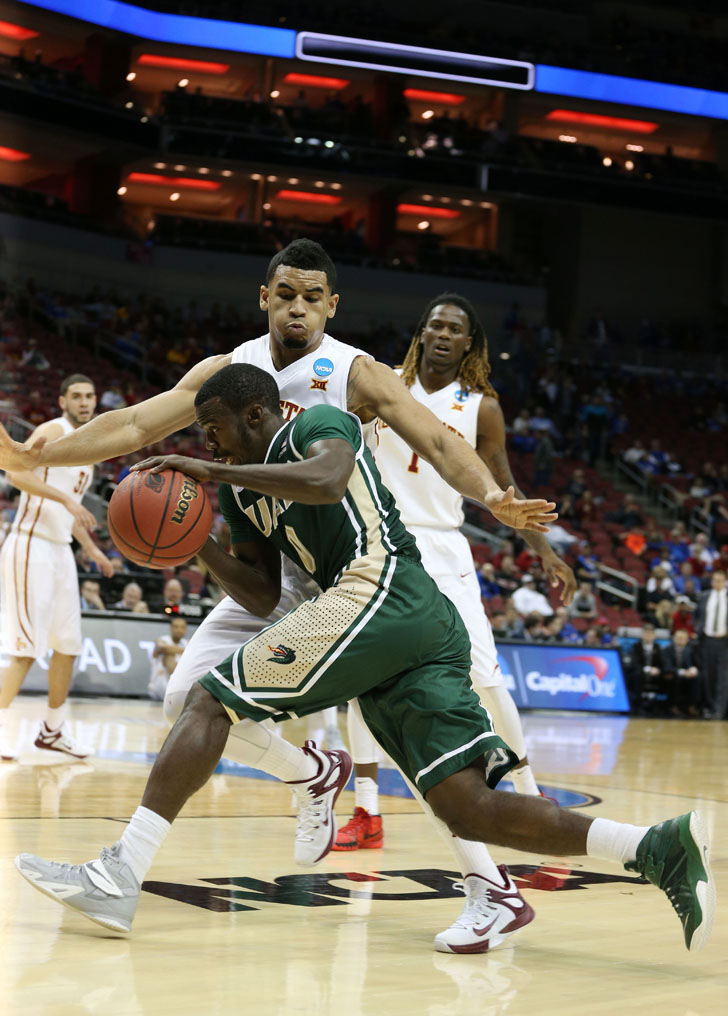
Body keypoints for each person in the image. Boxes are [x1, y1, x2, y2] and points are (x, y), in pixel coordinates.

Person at [14, 365, 715, 954]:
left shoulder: (319, 424)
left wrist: (205, 466)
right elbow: (260, 595)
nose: (208, 442)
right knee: (467, 807)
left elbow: (323, 480)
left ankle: (120, 874)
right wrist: (193, 539)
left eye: (214, 428)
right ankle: (654, 848)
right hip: (399, 632)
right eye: (204, 437)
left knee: (210, 697)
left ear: (255, 413)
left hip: (384, 590)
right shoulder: (238, 492)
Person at [0, 239, 568, 950]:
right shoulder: (230, 369)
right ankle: (312, 774)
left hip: (348, 574)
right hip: (267, 566)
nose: (298, 306)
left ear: (332, 305)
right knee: (185, 701)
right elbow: (139, 424)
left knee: (402, 731)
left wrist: (492, 496)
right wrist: (35, 455)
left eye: (313, 296)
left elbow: (439, 438)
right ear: (264, 297)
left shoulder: (352, 372)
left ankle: (487, 883)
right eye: (286, 293)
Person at [333, 295, 575, 909]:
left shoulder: (481, 406)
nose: (443, 334)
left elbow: (501, 482)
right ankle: (366, 812)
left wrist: (543, 550)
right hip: (381, 546)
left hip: (444, 550)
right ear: (421, 333)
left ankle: (539, 813)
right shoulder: (380, 387)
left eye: (456, 329)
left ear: (471, 343)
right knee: (363, 683)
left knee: (487, 683)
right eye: (434, 324)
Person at [0, 374, 113, 761]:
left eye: (90, 396)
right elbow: (15, 472)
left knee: (68, 646)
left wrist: (92, 549)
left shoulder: (90, 449)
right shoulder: (53, 429)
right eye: (77, 397)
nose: (84, 402)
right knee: (26, 649)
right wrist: (65, 500)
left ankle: (52, 730)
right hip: (29, 544)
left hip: (61, 549)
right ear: (63, 401)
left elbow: (71, 513)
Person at [694, 570, 728, 720]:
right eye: (715, 580)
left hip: (724, 642)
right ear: (712, 581)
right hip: (707, 641)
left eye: (720, 580)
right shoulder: (705, 596)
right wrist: (697, 629)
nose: (717, 583)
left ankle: (720, 710)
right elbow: (696, 615)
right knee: (709, 675)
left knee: (723, 677)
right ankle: (710, 707)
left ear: (725, 581)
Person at [661, 629, 701, 718]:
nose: (680, 640)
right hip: (672, 675)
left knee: (697, 678)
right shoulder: (666, 650)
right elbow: (666, 667)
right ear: (674, 638)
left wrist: (693, 670)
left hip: (687, 676)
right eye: (678, 638)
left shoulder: (691, 651)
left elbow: (696, 664)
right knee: (673, 678)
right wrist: (682, 672)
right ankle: (673, 706)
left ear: (687, 640)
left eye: (683, 638)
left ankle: (691, 706)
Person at [149, 616, 188, 702]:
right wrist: (186, 650)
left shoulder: (186, 643)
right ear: (170, 628)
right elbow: (164, 649)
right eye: (176, 627)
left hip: (177, 689)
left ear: (186, 630)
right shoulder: (162, 640)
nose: (179, 630)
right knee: (168, 655)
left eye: (182, 627)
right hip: (159, 687)